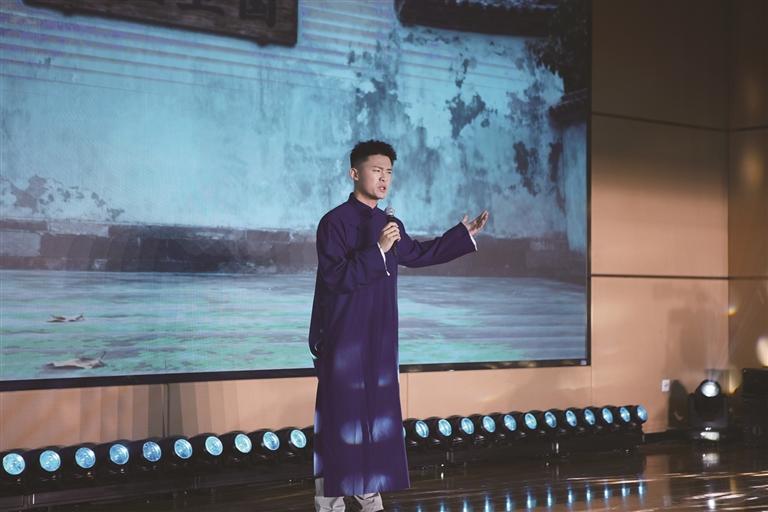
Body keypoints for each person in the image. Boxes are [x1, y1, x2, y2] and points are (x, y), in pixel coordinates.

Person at [309, 140, 490, 512]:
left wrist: (463, 235)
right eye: (376, 170)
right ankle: (330, 499)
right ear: (354, 173)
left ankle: (367, 487)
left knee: (376, 412)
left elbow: (418, 254)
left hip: (380, 334)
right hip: (344, 333)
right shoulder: (333, 222)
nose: (384, 178)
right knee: (341, 413)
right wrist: (377, 250)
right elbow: (335, 277)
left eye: (389, 172)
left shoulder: (388, 224)